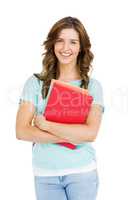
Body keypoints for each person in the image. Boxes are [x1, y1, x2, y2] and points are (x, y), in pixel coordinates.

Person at [16, 16, 104, 200]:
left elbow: (90, 133)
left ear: (81, 47)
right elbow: (22, 131)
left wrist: (45, 126)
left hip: (82, 173)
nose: (65, 48)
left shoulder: (92, 87)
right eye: (60, 41)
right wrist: (73, 135)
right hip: (45, 175)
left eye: (73, 42)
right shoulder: (35, 84)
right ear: (52, 44)